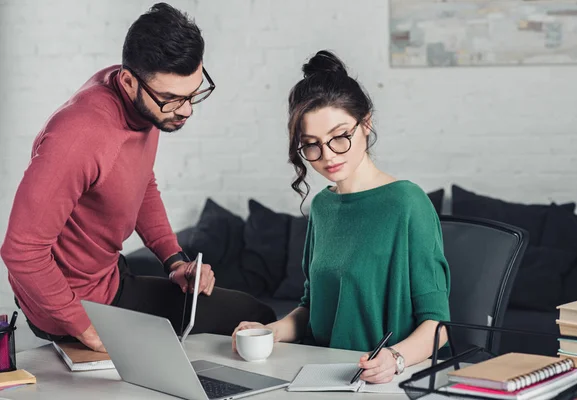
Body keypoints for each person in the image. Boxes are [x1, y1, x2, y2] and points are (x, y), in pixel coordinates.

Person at [0, 3, 275, 353]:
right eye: (172, 99)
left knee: (255, 316)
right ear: (129, 82)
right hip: (69, 307)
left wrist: (174, 261)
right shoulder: (78, 137)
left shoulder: (142, 98)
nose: (186, 110)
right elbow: (21, 251)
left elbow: (141, 184)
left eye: (192, 94)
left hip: (111, 281)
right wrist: (85, 328)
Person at [232, 50, 450, 384]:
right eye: (312, 145)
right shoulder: (322, 206)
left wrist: (396, 359)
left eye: (340, 137)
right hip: (319, 374)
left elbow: (439, 326)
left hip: (380, 381)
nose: (328, 156)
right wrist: (269, 331)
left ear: (366, 124)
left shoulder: (407, 202)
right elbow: (311, 309)